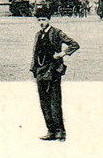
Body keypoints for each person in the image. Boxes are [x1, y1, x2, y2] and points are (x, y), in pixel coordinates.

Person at [30, 7, 79, 142]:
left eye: (43, 20)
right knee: (44, 102)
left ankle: (60, 131)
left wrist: (62, 54)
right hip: (40, 70)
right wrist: (33, 69)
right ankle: (50, 130)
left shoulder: (57, 33)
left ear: (49, 20)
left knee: (55, 101)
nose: (41, 22)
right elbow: (35, 52)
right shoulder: (38, 34)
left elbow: (74, 44)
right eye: (39, 20)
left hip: (53, 71)